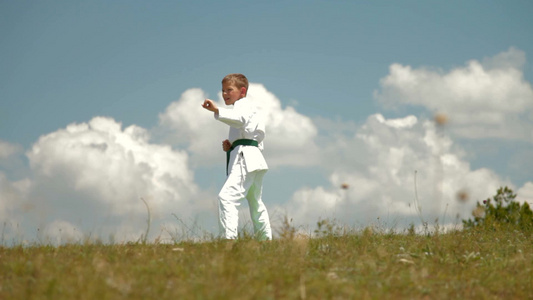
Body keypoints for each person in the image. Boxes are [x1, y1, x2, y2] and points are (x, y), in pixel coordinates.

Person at [201, 73, 272, 240]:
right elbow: (255, 137)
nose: (225, 94)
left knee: (227, 198)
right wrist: (232, 145)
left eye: (229, 90)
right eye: (223, 90)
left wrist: (217, 109)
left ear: (242, 91)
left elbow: (239, 120)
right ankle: (265, 240)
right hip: (254, 158)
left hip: (245, 159)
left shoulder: (242, 105)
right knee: (255, 203)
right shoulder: (249, 108)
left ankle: (228, 240)